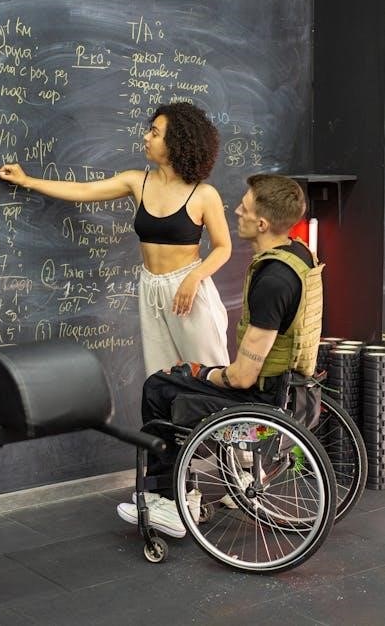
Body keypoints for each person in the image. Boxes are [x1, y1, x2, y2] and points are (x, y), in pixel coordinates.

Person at [116, 173, 324, 538]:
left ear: (262, 223)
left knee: (159, 387)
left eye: (244, 207)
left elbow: (241, 377)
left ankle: (168, 502)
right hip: (289, 383)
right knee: (175, 379)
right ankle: (203, 484)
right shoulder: (299, 255)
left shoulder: (272, 281)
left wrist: (201, 372)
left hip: (261, 395)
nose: (236, 211)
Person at [0, 102, 231, 376]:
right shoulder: (137, 181)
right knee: (162, 376)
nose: (146, 137)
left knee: (210, 373)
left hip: (188, 289)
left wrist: (194, 278)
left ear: (176, 143)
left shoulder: (204, 195)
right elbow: (84, 191)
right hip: (150, 287)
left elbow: (223, 247)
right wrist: (27, 181)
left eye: (155, 133)